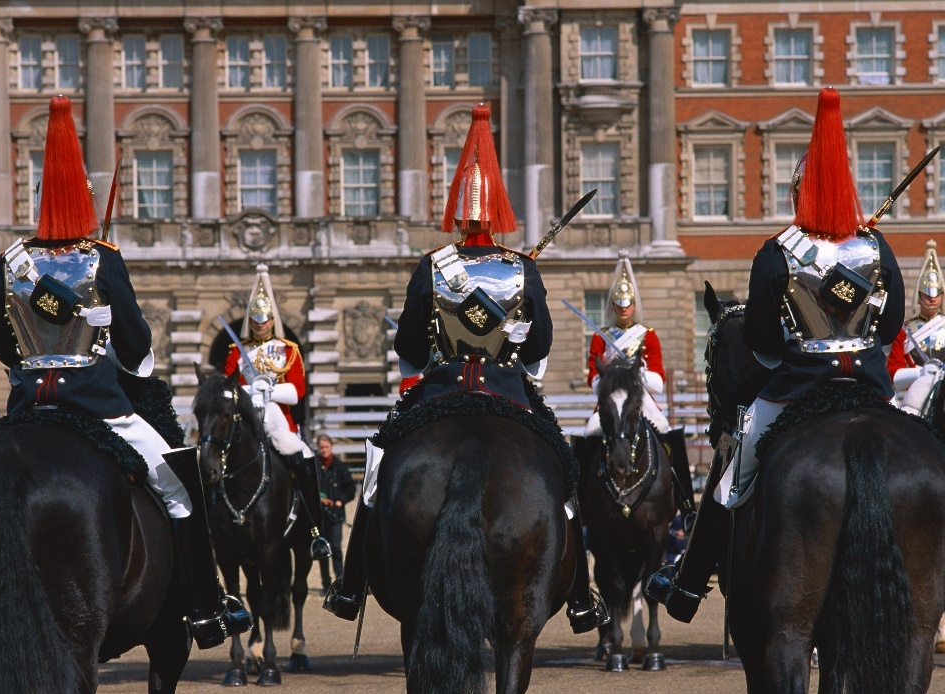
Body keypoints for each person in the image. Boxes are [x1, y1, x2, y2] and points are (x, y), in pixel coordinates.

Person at [325, 103, 608, 633]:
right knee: (563, 477)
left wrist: (428, 362)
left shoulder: (432, 266)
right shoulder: (519, 267)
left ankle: (350, 585)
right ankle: (582, 593)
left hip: (439, 392)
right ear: (497, 210)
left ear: (458, 210)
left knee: (378, 469)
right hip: (509, 393)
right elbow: (541, 344)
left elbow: (407, 343)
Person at [0, 95, 251, 649]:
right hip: (99, 408)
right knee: (180, 487)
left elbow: (3, 349)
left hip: (26, 409)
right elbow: (135, 347)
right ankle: (205, 607)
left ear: (38, 202)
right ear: (83, 203)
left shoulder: (10, 263)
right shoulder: (102, 259)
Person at [646, 87, 905, 623]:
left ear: (795, 197)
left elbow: (762, 343)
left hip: (798, 388)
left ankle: (689, 584)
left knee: (730, 470)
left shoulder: (778, 252)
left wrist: (800, 345)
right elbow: (892, 325)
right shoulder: (874, 246)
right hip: (871, 388)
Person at [577, 258, 696, 519]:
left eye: (628, 304)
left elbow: (658, 382)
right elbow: (594, 380)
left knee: (667, 432)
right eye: (619, 305)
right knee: (588, 432)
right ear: (613, 306)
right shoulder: (601, 336)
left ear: (634, 305)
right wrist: (612, 376)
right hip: (611, 399)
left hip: (641, 399)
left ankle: (686, 503)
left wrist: (636, 371)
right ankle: (578, 504)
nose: (623, 309)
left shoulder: (647, 335)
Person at [222, 265, 326, 544]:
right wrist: (248, 390)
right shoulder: (236, 352)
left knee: (305, 458)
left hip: (281, 424)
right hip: (246, 420)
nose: (260, 325)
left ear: (272, 319)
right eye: (256, 321)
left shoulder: (288, 349)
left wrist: (270, 390)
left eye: (264, 320)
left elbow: (298, 392)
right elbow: (226, 388)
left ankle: (315, 529)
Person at [887, 240, 945, 416]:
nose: (932, 300)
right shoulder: (904, 330)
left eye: (937, 295)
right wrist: (922, 372)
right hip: (916, 396)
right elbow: (894, 375)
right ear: (919, 297)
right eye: (927, 295)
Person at [315, 434, 356, 592]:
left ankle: (340, 580)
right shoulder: (314, 466)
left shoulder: (340, 467)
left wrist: (339, 501)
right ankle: (326, 584)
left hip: (336, 515)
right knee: (322, 551)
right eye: (321, 448)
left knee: (336, 548)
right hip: (320, 516)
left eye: (326, 447)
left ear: (331, 447)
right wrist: (318, 498)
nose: (324, 450)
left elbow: (350, 489)